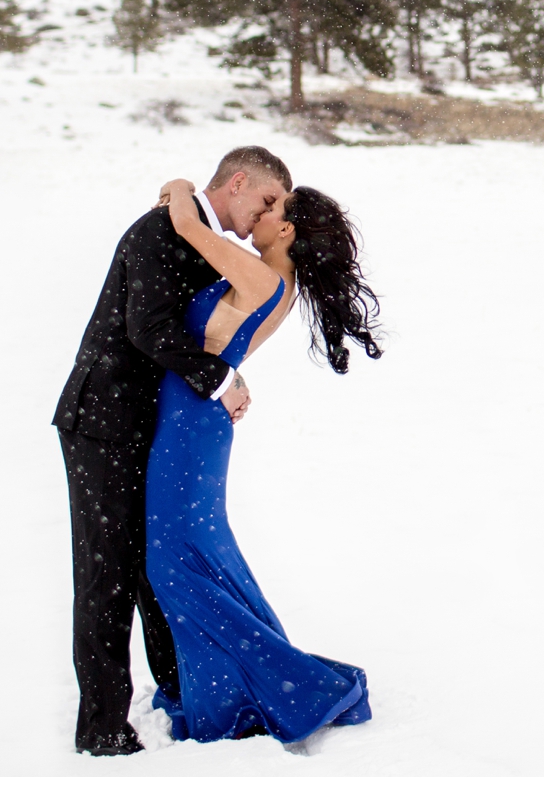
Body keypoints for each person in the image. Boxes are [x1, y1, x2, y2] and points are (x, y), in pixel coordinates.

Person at [52, 145, 291, 757]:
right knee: (107, 572)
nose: (261, 215)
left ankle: (178, 685)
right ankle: (102, 729)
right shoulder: (160, 230)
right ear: (237, 182)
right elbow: (148, 329)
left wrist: (181, 190)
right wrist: (222, 380)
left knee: (149, 564)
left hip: (146, 423)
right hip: (101, 420)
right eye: (263, 200)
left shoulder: (196, 230)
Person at [143, 175, 384, 750]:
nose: (264, 211)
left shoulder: (261, 275)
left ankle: (270, 685)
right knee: (194, 552)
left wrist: (179, 185)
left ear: (288, 230)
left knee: (174, 561)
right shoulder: (280, 282)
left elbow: (184, 224)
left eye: (276, 207)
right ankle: (240, 679)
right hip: (195, 416)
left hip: (191, 426)